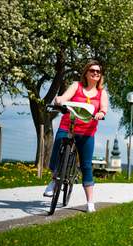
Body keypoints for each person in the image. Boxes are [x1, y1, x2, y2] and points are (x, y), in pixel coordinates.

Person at [43, 59, 109, 213]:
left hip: (87, 131)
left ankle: (90, 203)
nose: (95, 73)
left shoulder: (101, 93)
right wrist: (59, 100)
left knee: (86, 165)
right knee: (59, 142)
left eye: (98, 71)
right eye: (92, 70)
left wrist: (100, 113)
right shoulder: (76, 86)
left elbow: (104, 108)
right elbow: (63, 98)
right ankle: (54, 181)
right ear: (86, 73)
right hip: (69, 126)